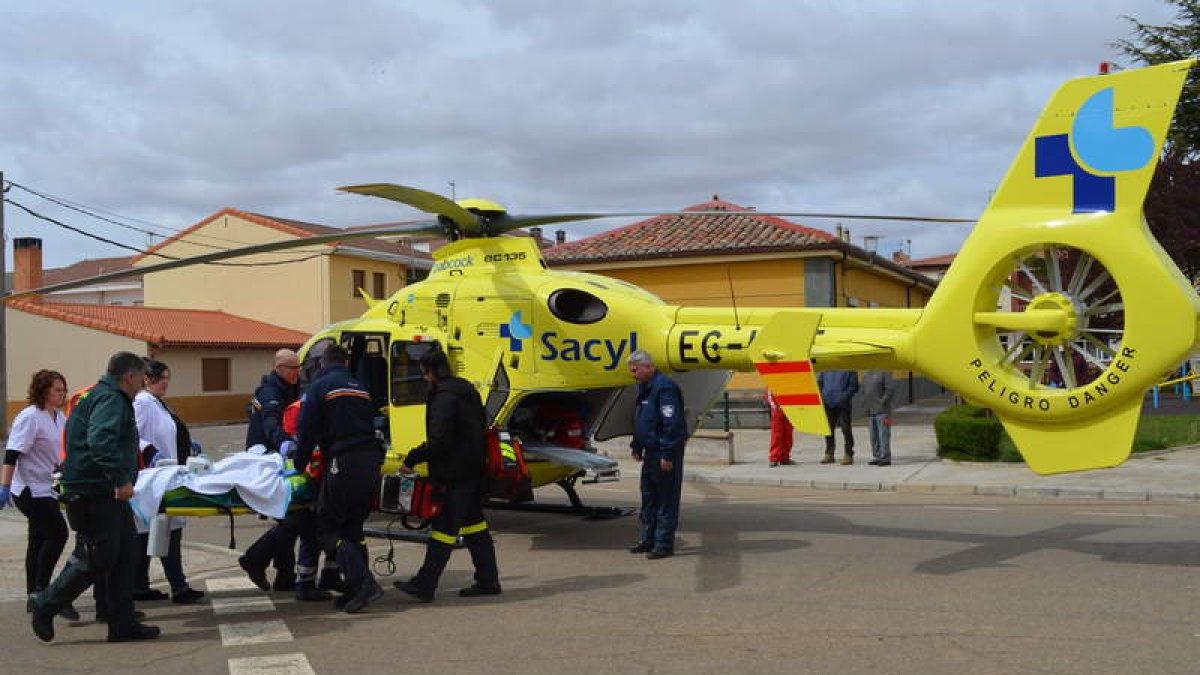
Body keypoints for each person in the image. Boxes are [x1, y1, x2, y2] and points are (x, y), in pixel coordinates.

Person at [30, 352, 160, 643]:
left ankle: (122, 622)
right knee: (95, 558)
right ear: (129, 377)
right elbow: (100, 441)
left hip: (101, 491)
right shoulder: (111, 399)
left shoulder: (100, 395)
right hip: (95, 492)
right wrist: (120, 479)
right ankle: (46, 603)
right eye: (141, 377)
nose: (143, 382)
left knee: (125, 555)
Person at [393, 348, 501, 603]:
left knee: (443, 529)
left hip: (454, 473)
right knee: (475, 526)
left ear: (429, 372)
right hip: (474, 469)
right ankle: (488, 579)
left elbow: (440, 440)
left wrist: (412, 458)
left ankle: (425, 583)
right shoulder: (467, 391)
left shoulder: (443, 397)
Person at [295, 344, 385, 613]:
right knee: (353, 527)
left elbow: (307, 430)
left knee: (327, 529)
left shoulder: (320, 386)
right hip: (369, 462)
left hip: (343, 461)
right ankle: (356, 588)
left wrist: (298, 465)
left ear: (322, 363)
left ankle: (365, 584)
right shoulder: (360, 387)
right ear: (345, 362)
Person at [1, 370, 79, 621]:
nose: (62, 394)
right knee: (57, 534)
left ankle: (34, 595)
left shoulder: (59, 417)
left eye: (63, 389)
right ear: (43, 390)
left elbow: (63, 451)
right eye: (57, 389)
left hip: (49, 487)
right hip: (29, 490)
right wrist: (4, 486)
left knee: (37, 539)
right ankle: (47, 593)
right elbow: (12, 454)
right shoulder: (30, 417)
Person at [131, 358, 205, 604]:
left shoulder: (157, 403)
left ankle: (141, 585)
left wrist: (187, 446)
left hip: (167, 473)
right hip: (156, 477)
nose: (165, 383)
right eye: (161, 378)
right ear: (147, 379)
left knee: (156, 532)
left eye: (167, 378)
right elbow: (132, 434)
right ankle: (178, 587)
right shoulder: (142, 403)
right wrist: (150, 451)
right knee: (165, 531)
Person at [242, 348, 303, 591]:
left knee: (287, 515)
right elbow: (271, 424)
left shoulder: (287, 389)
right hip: (268, 459)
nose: (297, 372)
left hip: (275, 458)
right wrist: (285, 444)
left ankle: (284, 575)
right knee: (291, 517)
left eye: (298, 367)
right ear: (279, 368)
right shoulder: (271, 393)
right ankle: (255, 558)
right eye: (292, 368)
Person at [626, 350, 687, 560]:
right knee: (649, 498)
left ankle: (663, 544)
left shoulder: (664, 388)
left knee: (665, 500)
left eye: (635, 370)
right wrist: (637, 445)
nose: (633, 374)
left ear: (648, 367)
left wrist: (668, 454)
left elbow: (673, 424)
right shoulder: (644, 388)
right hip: (650, 453)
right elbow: (642, 419)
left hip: (664, 453)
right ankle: (647, 540)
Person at [818, 370, 858, 465]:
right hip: (828, 403)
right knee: (828, 430)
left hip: (843, 404)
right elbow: (819, 384)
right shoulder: (826, 369)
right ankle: (829, 453)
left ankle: (848, 454)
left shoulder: (849, 367)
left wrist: (843, 398)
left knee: (846, 429)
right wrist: (823, 397)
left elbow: (854, 386)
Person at [860, 370, 896, 466]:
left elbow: (890, 389)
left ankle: (885, 458)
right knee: (873, 436)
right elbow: (863, 390)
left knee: (883, 434)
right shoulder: (866, 374)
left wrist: (882, 402)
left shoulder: (885, 372)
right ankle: (877, 456)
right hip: (871, 411)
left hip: (883, 412)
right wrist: (865, 405)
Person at [765, 390, 794, 467]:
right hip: (777, 410)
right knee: (777, 435)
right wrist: (775, 407)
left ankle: (784, 457)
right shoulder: (773, 379)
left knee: (788, 434)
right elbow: (769, 393)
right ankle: (774, 458)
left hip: (788, 409)